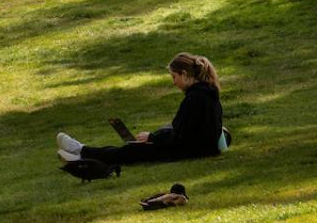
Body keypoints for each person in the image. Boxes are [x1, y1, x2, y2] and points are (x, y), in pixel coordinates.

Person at [55, 53, 226, 165]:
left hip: (191, 152)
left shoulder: (195, 98)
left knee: (132, 150)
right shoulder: (208, 93)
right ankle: (81, 155)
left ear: (184, 74)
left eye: (174, 77)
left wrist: (152, 137)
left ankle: (81, 152)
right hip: (199, 149)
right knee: (141, 145)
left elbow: (180, 136)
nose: (174, 82)